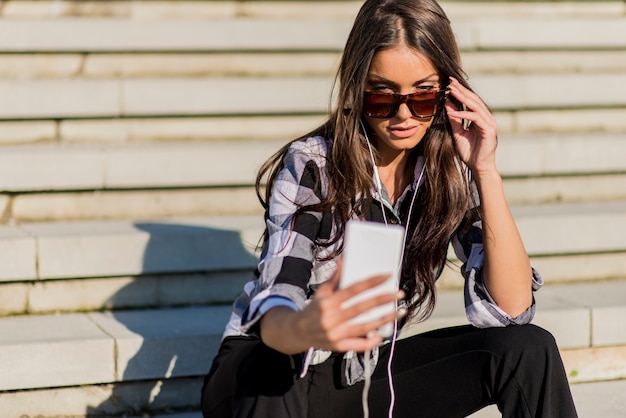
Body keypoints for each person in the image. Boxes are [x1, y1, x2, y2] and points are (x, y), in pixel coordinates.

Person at [201, 0, 578, 416]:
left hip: (352, 376)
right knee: (277, 361)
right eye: (382, 97)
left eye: (423, 96)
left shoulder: (446, 168)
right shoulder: (313, 163)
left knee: (528, 348)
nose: (403, 115)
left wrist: (485, 172)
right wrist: (310, 325)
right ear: (357, 87)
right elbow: (276, 299)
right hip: (265, 370)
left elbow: (510, 311)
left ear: (448, 92)